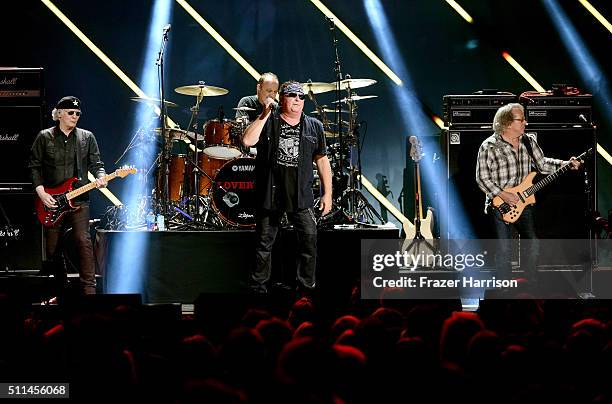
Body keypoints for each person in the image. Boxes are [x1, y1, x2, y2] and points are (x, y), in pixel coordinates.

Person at [242, 81, 333, 294]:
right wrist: (264, 113)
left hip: (301, 194)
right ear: (282, 98)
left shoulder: (314, 126)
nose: (297, 100)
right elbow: (247, 140)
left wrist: (327, 193)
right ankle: (259, 291)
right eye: (292, 96)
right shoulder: (269, 121)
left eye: (301, 97)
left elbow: (322, 160)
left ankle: (305, 290)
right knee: (264, 245)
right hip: (271, 194)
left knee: (309, 244)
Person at [476, 102, 580, 284]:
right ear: (507, 123)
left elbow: (542, 164)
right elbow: (482, 179)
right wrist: (503, 194)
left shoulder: (528, 141)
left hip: (524, 204)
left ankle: (528, 287)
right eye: (521, 119)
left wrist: (565, 164)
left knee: (532, 245)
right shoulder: (489, 146)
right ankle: (503, 290)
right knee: (504, 250)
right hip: (500, 205)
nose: (525, 122)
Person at [29, 96, 107, 297]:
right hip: (52, 200)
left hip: (79, 199)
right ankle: (60, 288)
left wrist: (101, 177)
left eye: (78, 114)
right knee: (52, 248)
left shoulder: (86, 137)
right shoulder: (44, 137)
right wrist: (41, 192)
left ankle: (89, 289)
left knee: (83, 240)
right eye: (71, 113)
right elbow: (34, 166)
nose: (75, 116)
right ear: (60, 114)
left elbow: (97, 164)